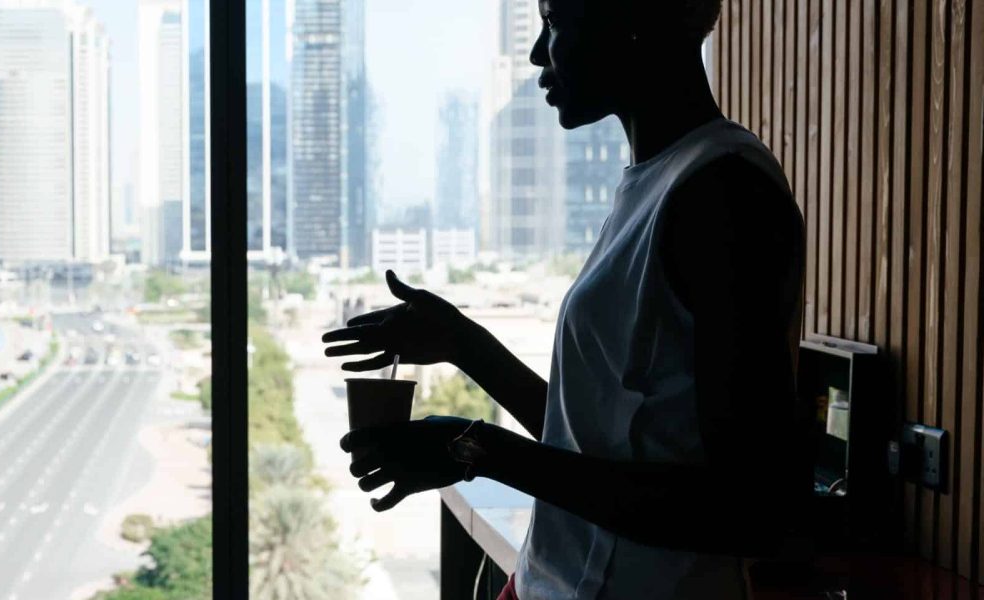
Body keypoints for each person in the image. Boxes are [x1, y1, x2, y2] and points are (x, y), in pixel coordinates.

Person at [323, 0, 807, 598]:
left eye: (554, 22)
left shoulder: (723, 194)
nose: (536, 55)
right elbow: (594, 439)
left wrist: (480, 449)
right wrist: (463, 343)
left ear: (630, 19)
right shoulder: (657, 182)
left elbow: (750, 510)